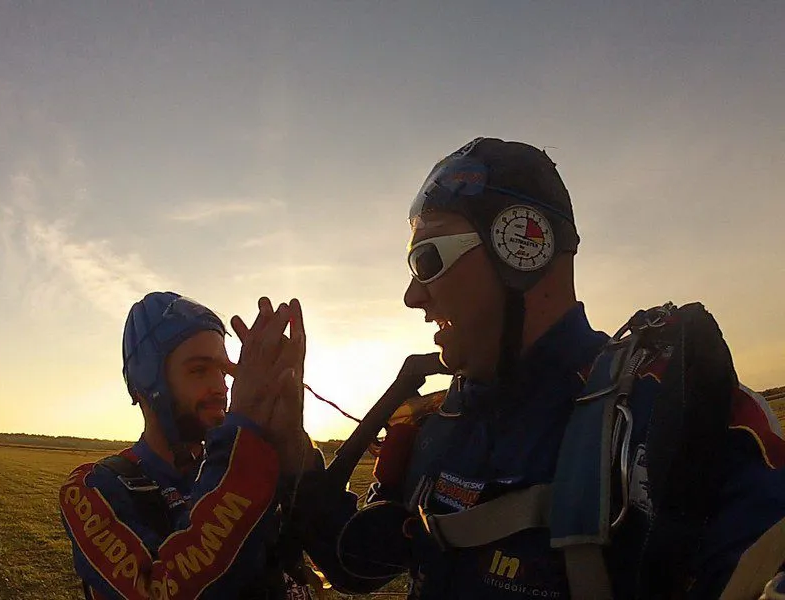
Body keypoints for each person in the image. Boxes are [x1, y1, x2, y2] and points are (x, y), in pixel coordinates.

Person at [289, 138, 785, 599]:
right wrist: (289, 444)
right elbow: (357, 564)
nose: (413, 295)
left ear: (520, 247)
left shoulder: (673, 419)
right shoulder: (437, 425)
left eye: (428, 258)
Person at [59, 291, 325, 599]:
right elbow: (161, 591)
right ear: (148, 382)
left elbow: (349, 563)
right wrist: (244, 445)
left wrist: (294, 449)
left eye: (223, 370)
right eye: (199, 370)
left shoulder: (255, 463)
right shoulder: (93, 489)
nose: (221, 387)